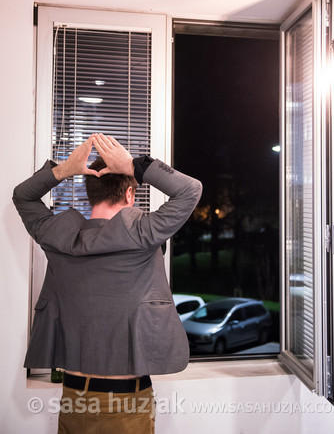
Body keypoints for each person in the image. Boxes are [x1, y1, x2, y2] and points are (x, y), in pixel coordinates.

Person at [13, 133, 202, 433]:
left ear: (91, 194)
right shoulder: (143, 234)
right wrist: (132, 164)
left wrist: (65, 169)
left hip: (73, 399)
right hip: (127, 403)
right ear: (129, 195)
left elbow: (22, 195)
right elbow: (190, 190)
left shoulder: (57, 236)